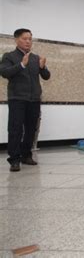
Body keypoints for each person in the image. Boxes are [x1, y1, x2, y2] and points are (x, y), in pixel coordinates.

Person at [0, 28, 51, 172]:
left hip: (34, 99)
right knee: (15, 129)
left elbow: (46, 76)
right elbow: (4, 72)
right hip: (17, 98)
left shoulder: (35, 57)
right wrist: (21, 65)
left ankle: (26, 155)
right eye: (25, 38)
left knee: (31, 129)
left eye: (30, 39)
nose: (28, 41)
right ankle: (14, 159)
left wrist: (42, 68)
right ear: (16, 39)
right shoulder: (9, 56)